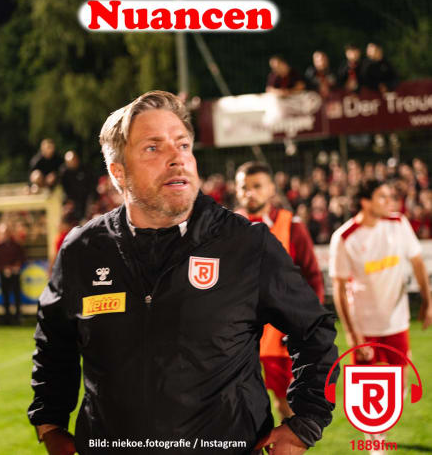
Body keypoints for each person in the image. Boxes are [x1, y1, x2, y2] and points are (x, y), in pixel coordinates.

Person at [28, 91, 338, 455]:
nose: (177, 158)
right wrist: (50, 424)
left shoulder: (246, 244)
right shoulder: (82, 250)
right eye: (153, 148)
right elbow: (54, 344)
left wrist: (305, 424)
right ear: (118, 173)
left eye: (183, 145)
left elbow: (314, 332)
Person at [234, 161, 325, 421]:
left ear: (271, 189)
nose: (250, 192)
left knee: (288, 405)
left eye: (257, 186)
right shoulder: (229, 227)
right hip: (241, 336)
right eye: (244, 187)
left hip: (281, 336)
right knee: (241, 409)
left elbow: (313, 276)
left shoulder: (292, 226)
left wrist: (309, 326)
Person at [329, 179, 432, 377]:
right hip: (364, 327)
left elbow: (418, 263)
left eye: (390, 196)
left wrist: (428, 302)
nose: (390, 201)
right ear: (365, 202)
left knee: (399, 385)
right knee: (363, 390)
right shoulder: (344, 237)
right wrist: (352, 333)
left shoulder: (399, 223)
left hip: (397, 323)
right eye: (382, 197)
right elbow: (339, 289)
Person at [0, 223, 25, 324]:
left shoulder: (17, 245)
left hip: (15, 274)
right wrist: (3, 269)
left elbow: (22, 258)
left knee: (16, 295)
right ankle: (7, 316)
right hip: (3, 274)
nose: (6, 234)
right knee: (5, 295)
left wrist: (16, 267)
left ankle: (18, 316)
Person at [59, 150, 98, 221]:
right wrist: (68, 200)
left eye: (73, 160)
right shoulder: (64, 172)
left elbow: (92, 183)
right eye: (69, 162)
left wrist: (92, 197)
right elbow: (64, 187)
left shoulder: (85, 168)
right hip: (73, 198)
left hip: (86, 195)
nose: (72, 163)